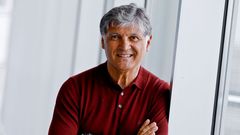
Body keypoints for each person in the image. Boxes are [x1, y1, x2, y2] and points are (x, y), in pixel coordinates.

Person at [49, 3, 170, 135]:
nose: (124, 46)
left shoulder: (160, 93)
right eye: (115, 37)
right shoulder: (75, 89)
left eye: (133, 38)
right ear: (102, 41)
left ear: (148, 43)